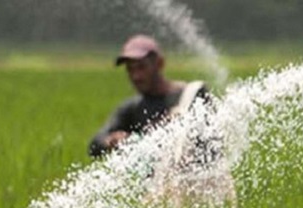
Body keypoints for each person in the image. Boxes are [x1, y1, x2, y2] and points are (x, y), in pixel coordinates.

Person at [88, 34, 214, 162]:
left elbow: (212, 146)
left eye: (141, 67)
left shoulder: (192, 95)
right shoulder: (133, 108)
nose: (136, 76)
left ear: (159, 64)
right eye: (130, 69)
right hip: (160, 180)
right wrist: (111, 141)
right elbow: (94, 145)